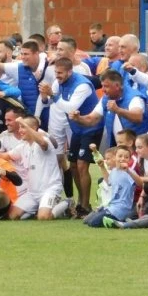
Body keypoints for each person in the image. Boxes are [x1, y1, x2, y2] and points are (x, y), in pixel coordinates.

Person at [40, 57, 103, 217]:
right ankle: (81, 202)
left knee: (82, 165)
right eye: (56, 72)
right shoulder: (60, 82)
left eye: (60, 73)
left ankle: (85, 205)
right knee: (73, 164)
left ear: (69, 71)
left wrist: (52, 95)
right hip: (77, 129)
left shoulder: (82, 85)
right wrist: (46, 96)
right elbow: (48, 100)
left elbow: (70, 107)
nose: (57, 76)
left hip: (91, 127)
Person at [5, 116, 65, 220]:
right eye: (20, 127)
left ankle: (66, 203)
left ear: (33, 128)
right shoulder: (23, 146)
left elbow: (42, 143)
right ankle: (37, 209)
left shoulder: (44, 141)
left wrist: (22, 122)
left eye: (23, 127)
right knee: (12, 216)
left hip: (50, 189)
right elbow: (6, 155)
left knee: (43, 217)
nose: (20, 130)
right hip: (32, 192)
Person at [70, 69, 148, 147]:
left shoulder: (134, 97)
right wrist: (78, 118)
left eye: (106, 86)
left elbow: (138, 117)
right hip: (117, 146)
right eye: (102, 86)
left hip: (137, 147)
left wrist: (118, 110)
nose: (103, 90)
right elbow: (92, 119)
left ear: (117, 86)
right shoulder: (106, 98)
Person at [83, 146, 135, 227]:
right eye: (120, 156)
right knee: (88, 221)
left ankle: (121, 221)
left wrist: (128, 171)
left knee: (93, 223)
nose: (122, 159)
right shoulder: (114, 171)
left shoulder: (128, 172)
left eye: (126, 157)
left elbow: (139, 183)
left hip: (120, 208)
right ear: (115, 157)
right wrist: (102, 167)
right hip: (111, 207)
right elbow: (109, 181)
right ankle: (117, 220)